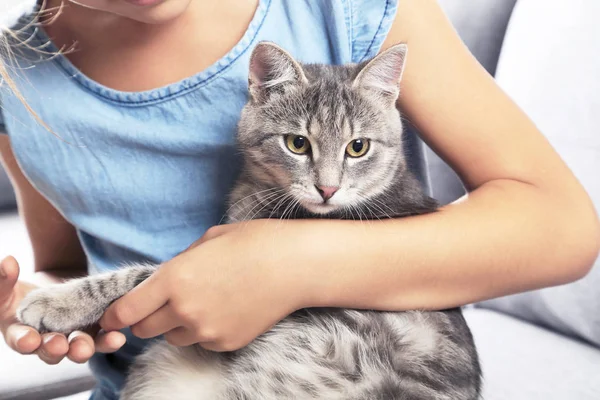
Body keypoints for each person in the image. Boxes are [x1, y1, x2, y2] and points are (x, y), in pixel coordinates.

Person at [0, 0, 598, 399]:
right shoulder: (15, 76)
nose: (329, 182)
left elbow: (561, 226)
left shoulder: (349, 11)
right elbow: (67, 262)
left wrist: (291, 263)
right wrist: (36, 302)